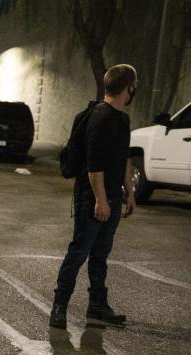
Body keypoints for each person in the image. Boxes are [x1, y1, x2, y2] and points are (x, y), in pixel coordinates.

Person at [50, 64, 139, 329]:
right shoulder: (100, 116)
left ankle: (97, 306)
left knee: (101, 253)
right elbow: (94, 164)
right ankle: (59, 307)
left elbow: (123, 158)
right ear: (128, 87)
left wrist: (129, 193)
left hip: (111, 195)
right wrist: (100, 200)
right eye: (135, 84)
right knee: (79, 252)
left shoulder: (122, 119)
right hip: (92, 197)